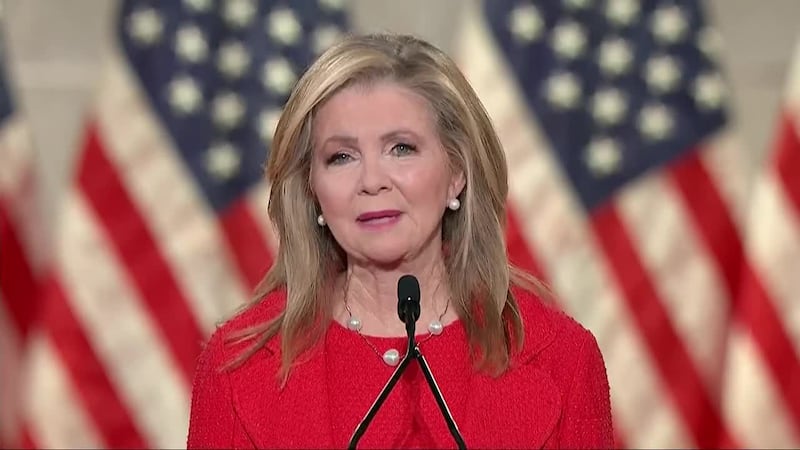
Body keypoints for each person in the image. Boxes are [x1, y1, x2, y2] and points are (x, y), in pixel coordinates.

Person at [187, 33, 614, 449]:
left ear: (456, 174)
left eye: (401, 148)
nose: (372, 181)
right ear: (312, 187)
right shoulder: (237, 368)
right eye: (341, 156)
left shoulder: (563, 361)